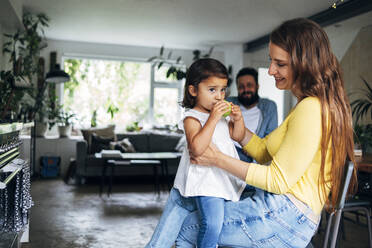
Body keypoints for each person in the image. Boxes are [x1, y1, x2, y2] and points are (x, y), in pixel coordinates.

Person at [146, 18, 357, 248]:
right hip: (286, 212)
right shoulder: (309, 105)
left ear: (303, 63)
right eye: (271, 61)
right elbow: (265, 151)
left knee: (187, 228)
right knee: (189, 204)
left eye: (280, 64)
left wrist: (217, 159)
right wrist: (240, 132)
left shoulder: (311, 109)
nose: (270, 70)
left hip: (286, 215)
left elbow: (276, 181)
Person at [169, 58, 246, 248]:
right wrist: (212, 119)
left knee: (220, 224)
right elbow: (196, 148)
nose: (219, 96)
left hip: (224, 179)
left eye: (223, 90)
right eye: (212, 90)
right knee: (212, 224)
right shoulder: (191, 117)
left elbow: (238, 136)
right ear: (193, 90)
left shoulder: (219, 116)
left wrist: (238, 119)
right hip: (206, 182)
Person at [227, 67, 278, 162]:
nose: (245, 89)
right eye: (241, 86)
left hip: (254, 156)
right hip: (230, 152)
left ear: (257, 86)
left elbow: (271, 136)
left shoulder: (269, 106)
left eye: (249, 85)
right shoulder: (229, 103)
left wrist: (251, 147)